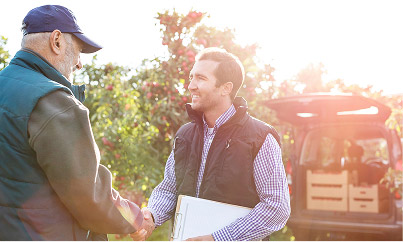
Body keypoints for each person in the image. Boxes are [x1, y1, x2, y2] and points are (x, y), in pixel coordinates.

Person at [0, 5, 152, 240]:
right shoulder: (53, 100)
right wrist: (135, 218)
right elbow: (88, 195)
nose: (80, 63)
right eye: (79, 50)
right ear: (57, 41)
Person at [131, 47, 291, 241]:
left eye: (201, 78)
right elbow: (169, 189)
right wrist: (152, 216)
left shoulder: (260, 138)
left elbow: (276, 207)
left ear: (226, 88)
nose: (191, 85)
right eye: (191, 77)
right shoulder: (185, 135)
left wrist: (219, 238)